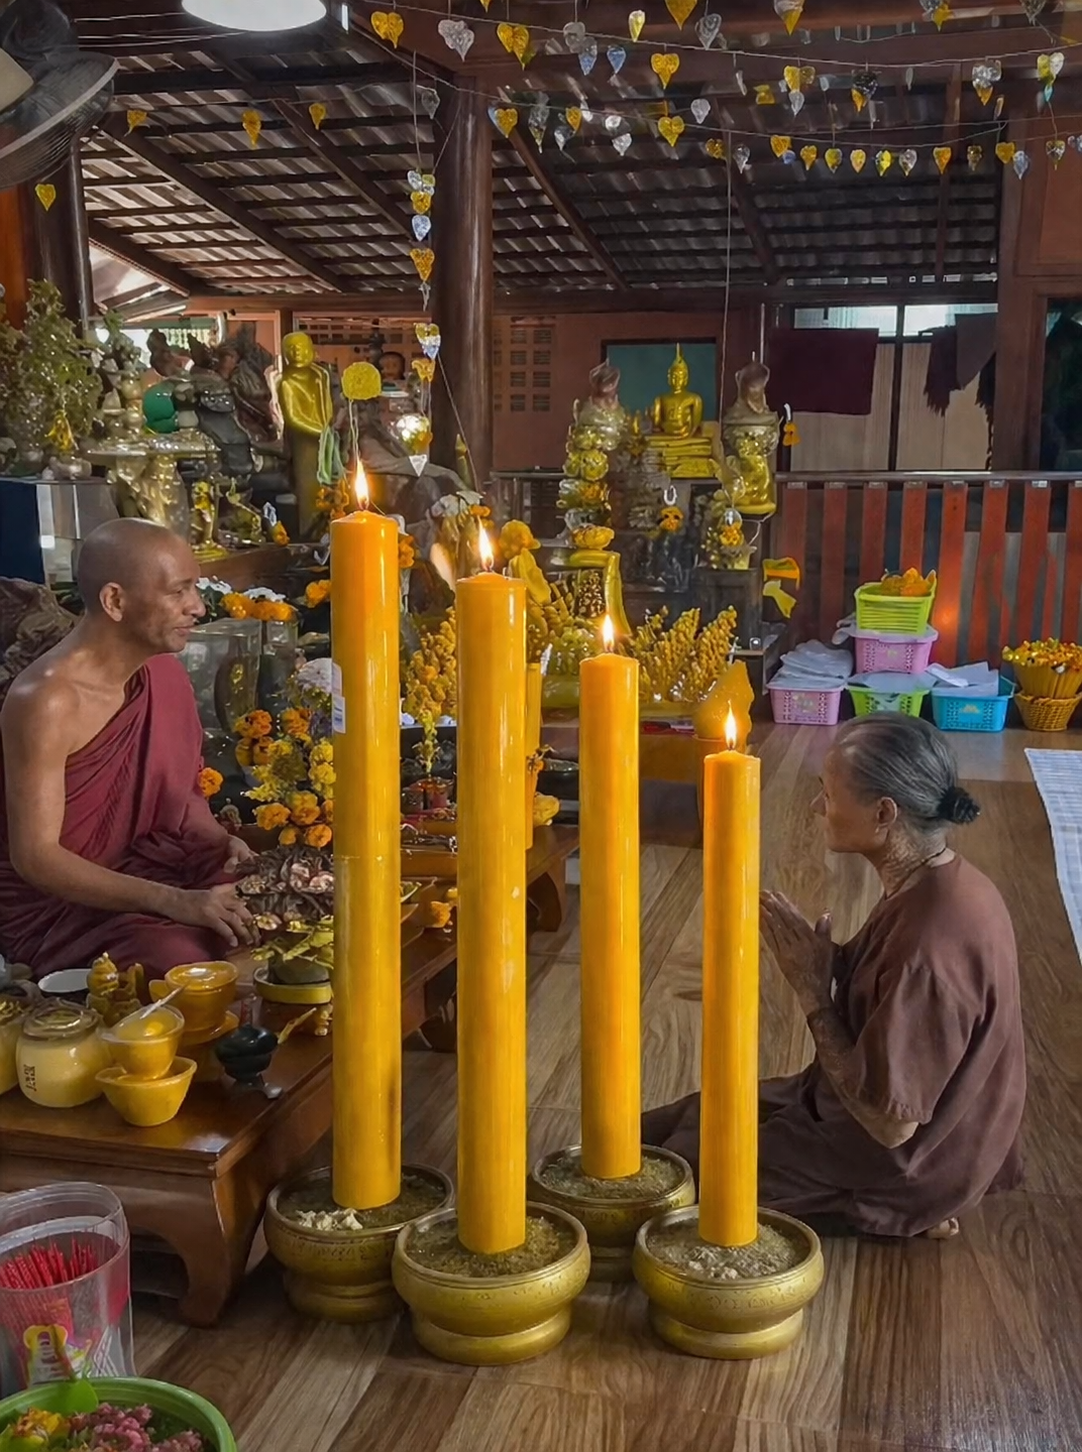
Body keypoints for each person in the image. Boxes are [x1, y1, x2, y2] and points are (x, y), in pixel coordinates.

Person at [643, 715, 1026, 1240]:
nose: (817, 807)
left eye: (828, 793)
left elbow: (890, 1126)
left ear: (883, 812)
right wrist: (834, 962)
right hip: (843, 1106)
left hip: (903, 1162)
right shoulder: (937, 880)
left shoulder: (931, 944)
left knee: (679, 1179)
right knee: (659, 1131)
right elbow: (888, 997)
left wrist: (812, 992)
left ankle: (903, 1214)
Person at [0, 518, 257, 981]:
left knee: (275, 906)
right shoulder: (46, 700)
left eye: (195, 588)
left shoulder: (163, 675)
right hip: (69, 908)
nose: (197, 607)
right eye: (178, 592)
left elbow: (185, 798)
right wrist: (177, 902)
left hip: (158, 869)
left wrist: (221, 844)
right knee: (183, 964)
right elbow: (36, 857)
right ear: (115, 600)